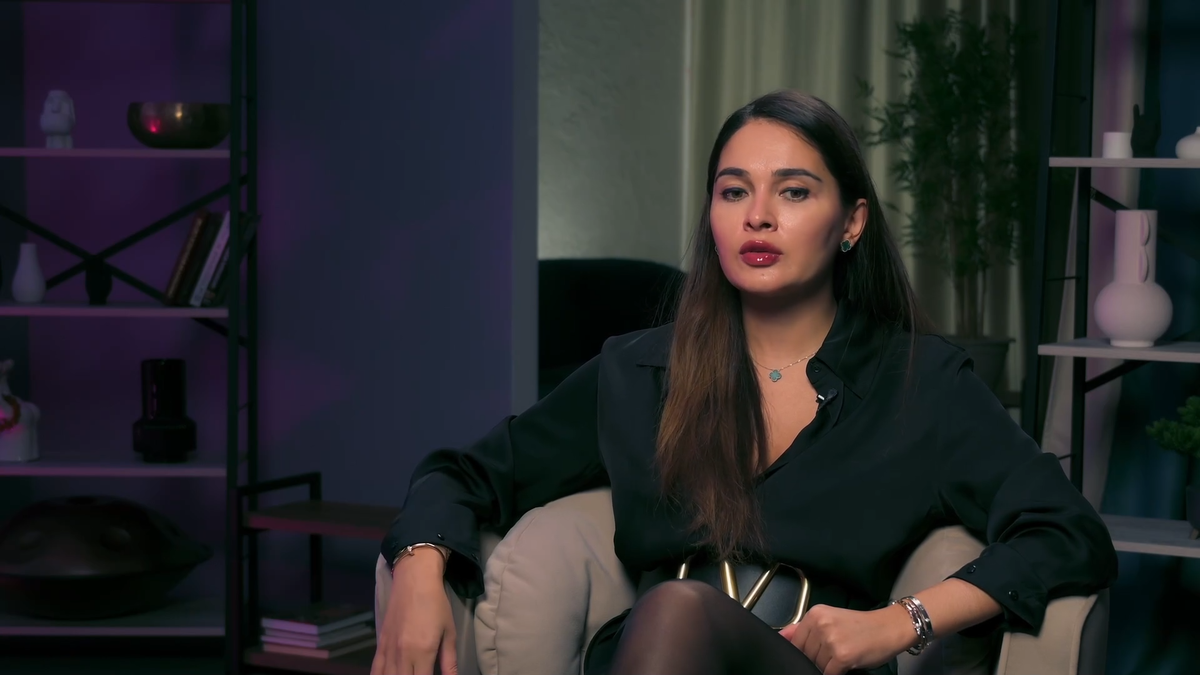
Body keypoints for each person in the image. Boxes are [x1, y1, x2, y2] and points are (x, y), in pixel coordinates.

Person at [371, 90, 1118, 675]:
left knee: (676, 611)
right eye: (734, 192)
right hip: (648, 658)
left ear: (851, 222)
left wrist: (902, 620)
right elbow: (466, 474)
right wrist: (419, 566)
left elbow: (1068, 532)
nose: (757, 216)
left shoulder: (921, 384)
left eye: (793, 192)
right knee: (671, 613)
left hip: (810, 667)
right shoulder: (638, 373)